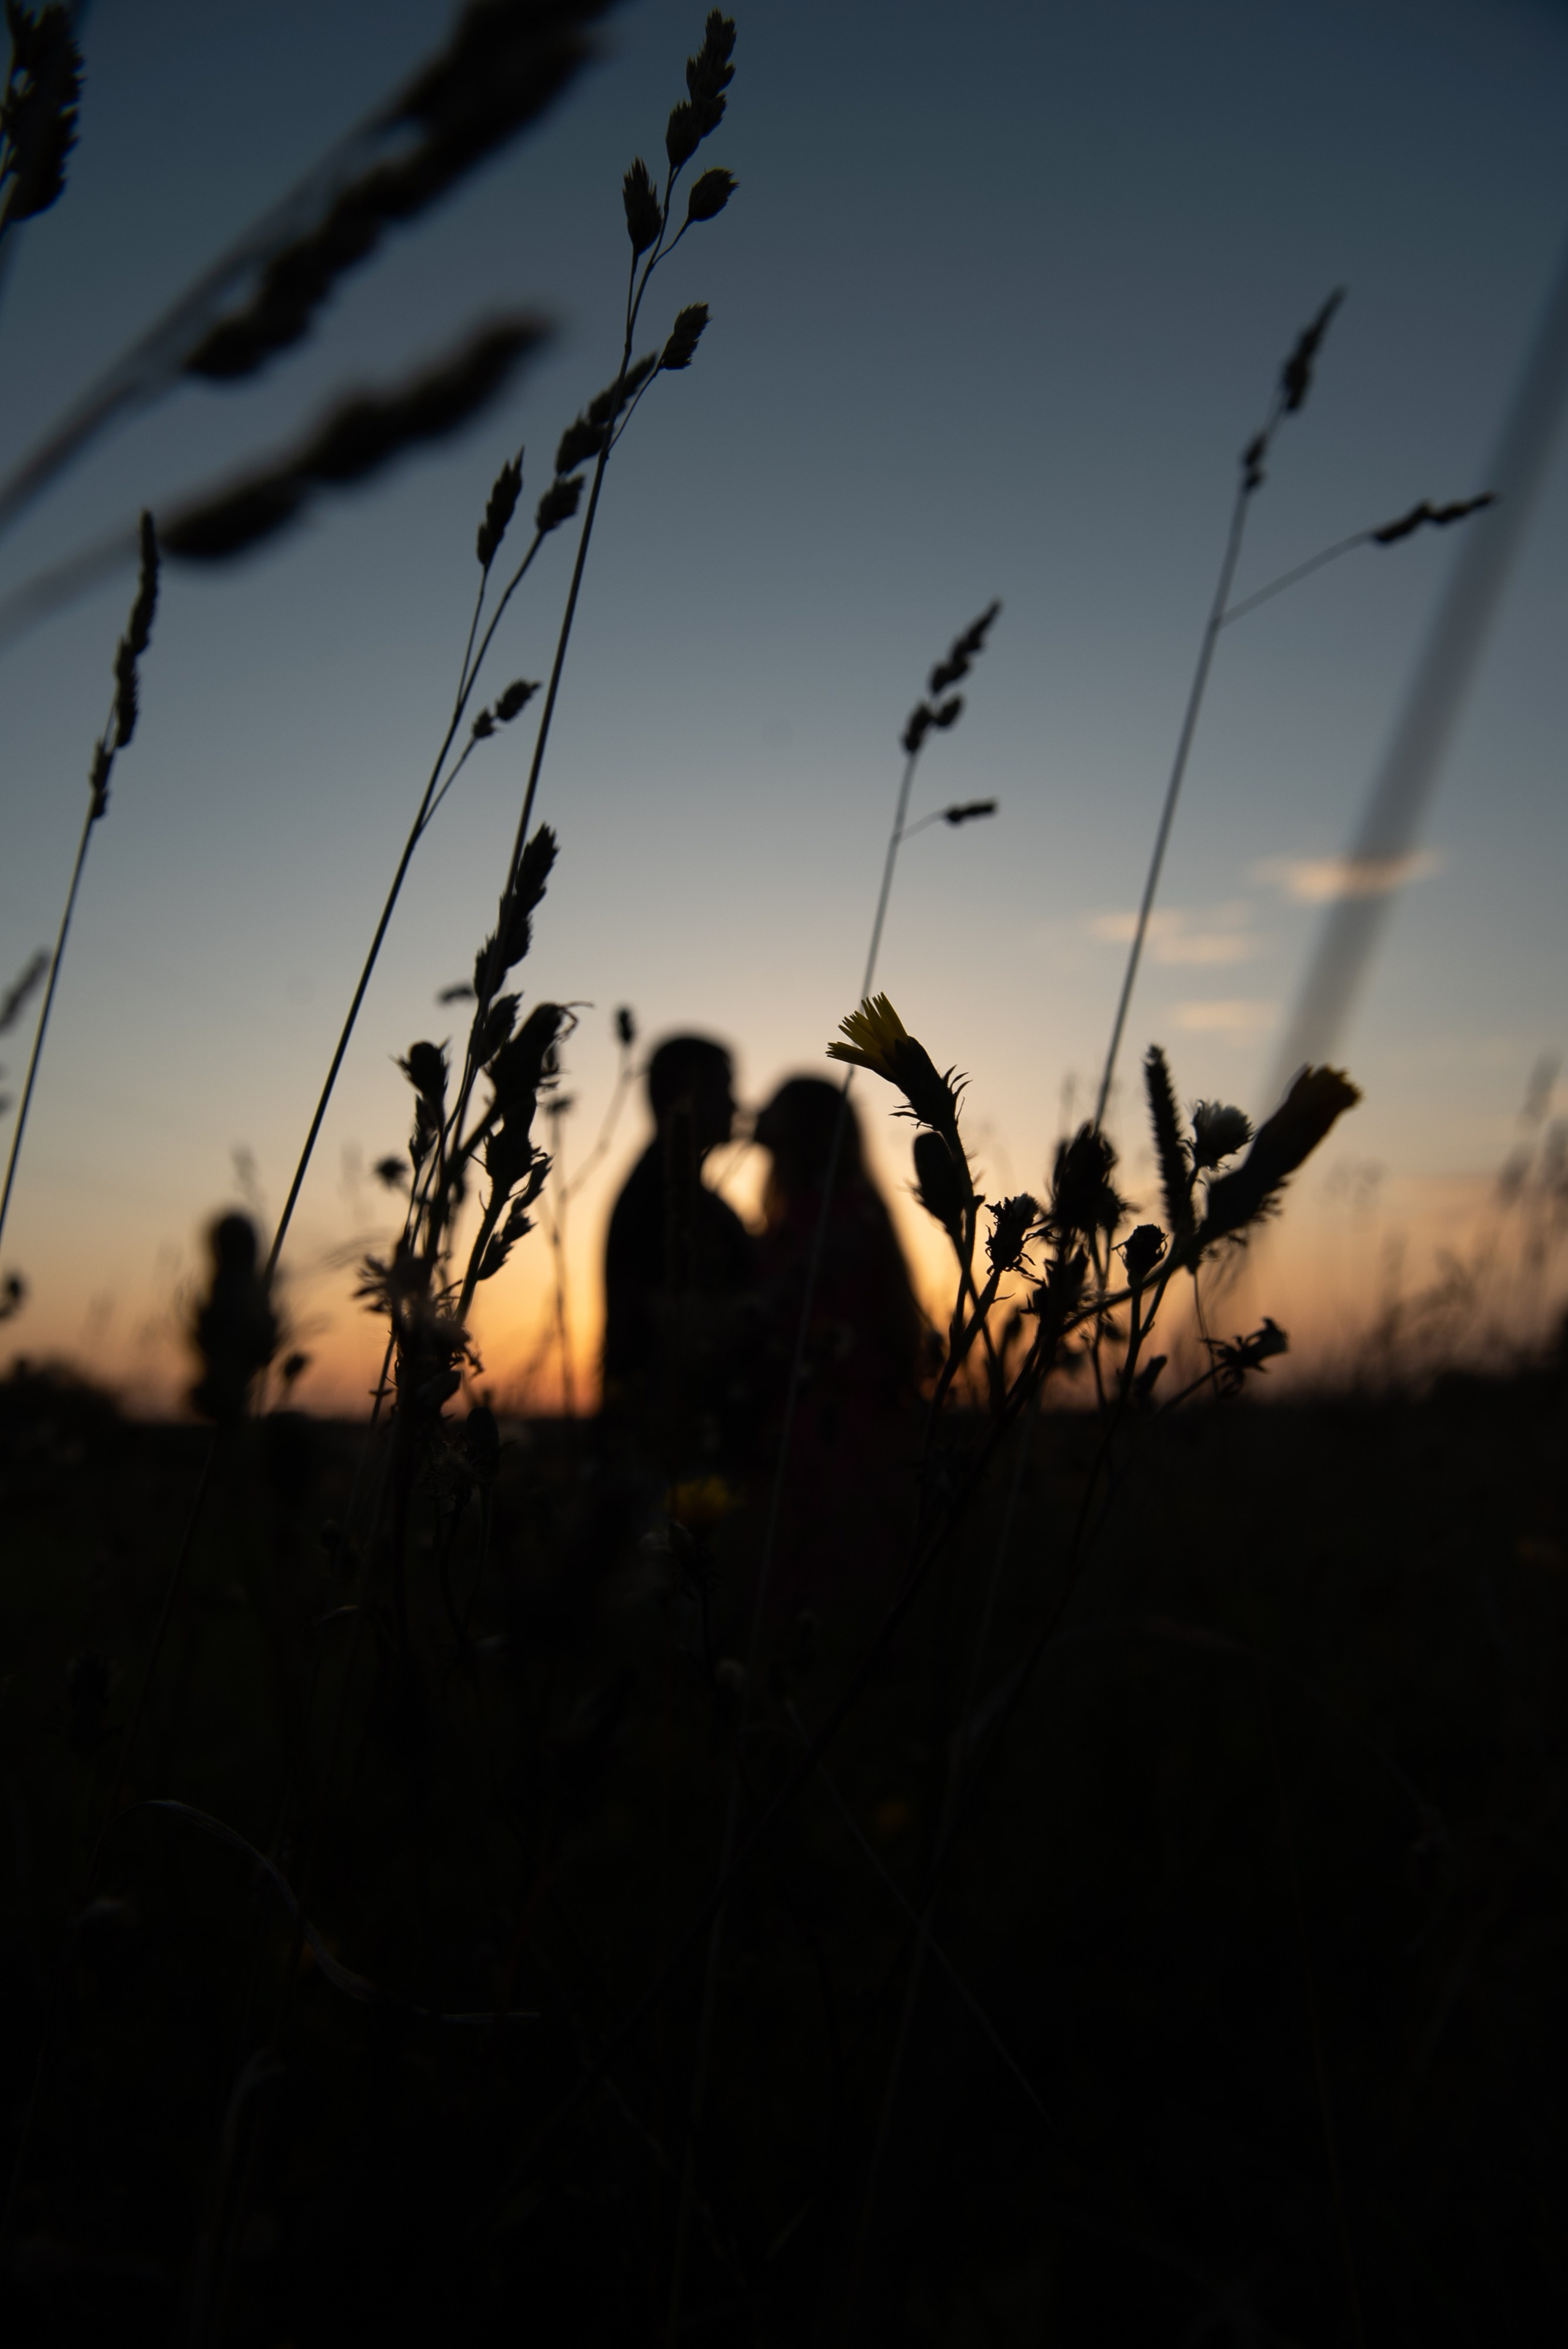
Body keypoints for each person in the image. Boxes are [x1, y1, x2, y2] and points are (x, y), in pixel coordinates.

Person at [751, 1076, 924, 1604]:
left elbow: (773, 1316)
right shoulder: (855, 1211)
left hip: (826, 1434)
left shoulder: (821, 1221)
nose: (757, 1117)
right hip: (856, 1430)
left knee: (818, 1584)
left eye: (773, 1113)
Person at [601, 1034, 758, 1466]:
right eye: (725, 1089)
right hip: (672, 1446)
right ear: (686, 1094)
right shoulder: (662, 1197)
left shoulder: (679, 1190)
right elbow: (674, 1319)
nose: (737, 1107)